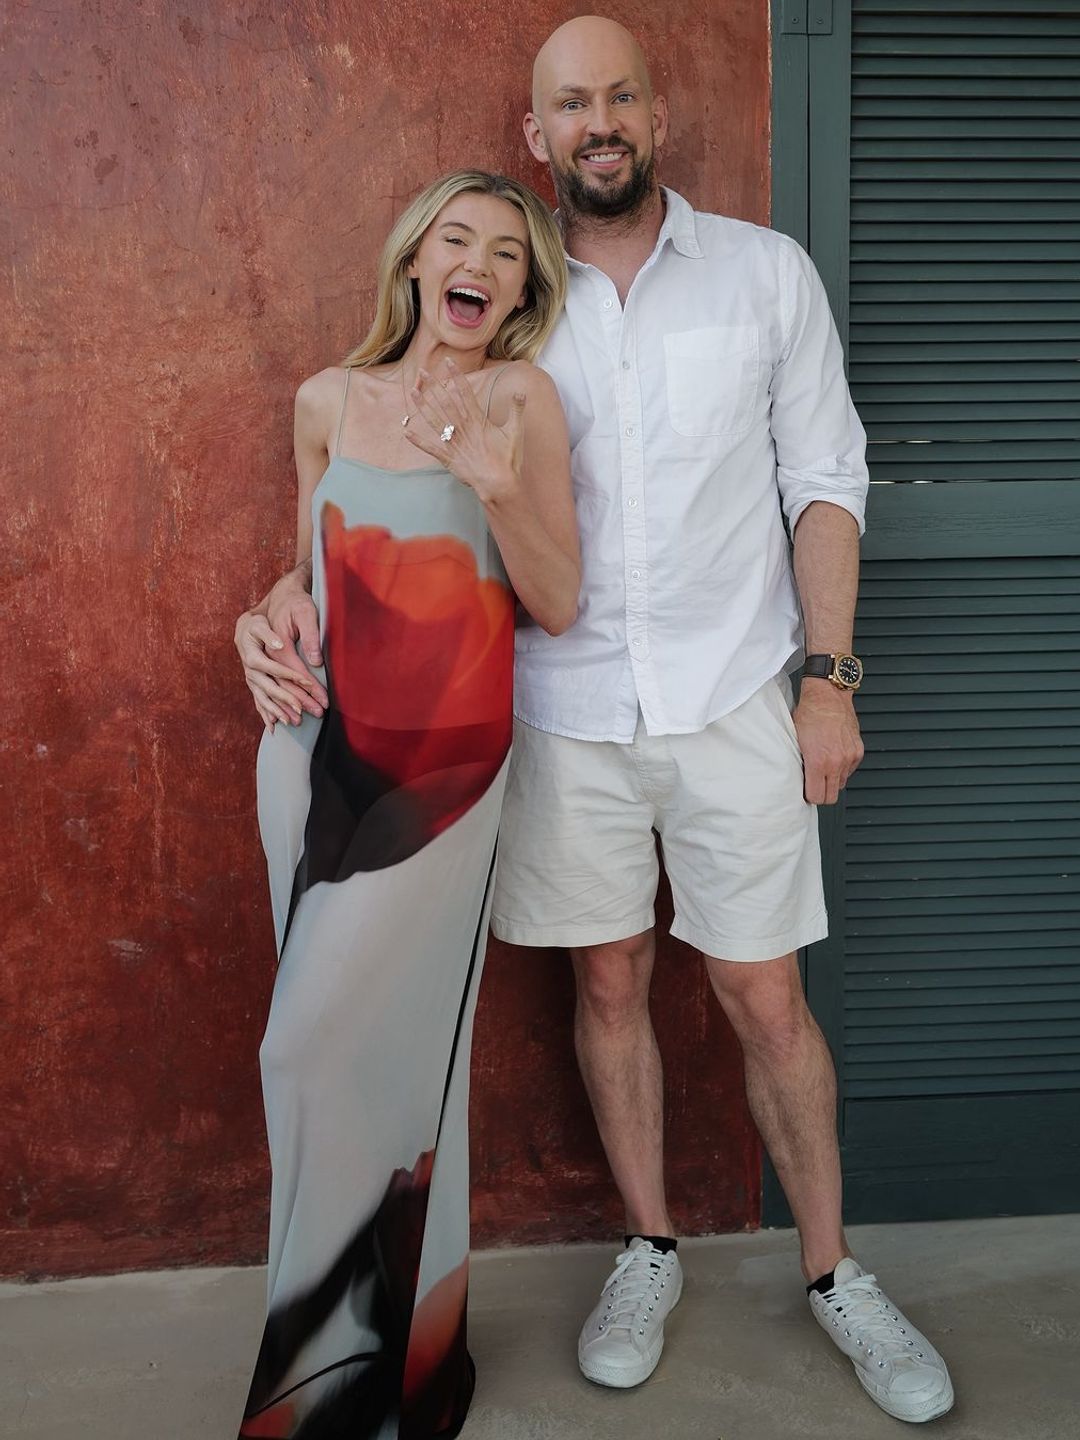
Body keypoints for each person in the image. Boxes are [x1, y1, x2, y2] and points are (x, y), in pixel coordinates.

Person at [237, 15, 955, 1429]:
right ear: (538, 134)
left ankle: (835, 1275)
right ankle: (648, 1248)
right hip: (552, 716)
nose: (600, 121)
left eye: (621, 94)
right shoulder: (513, 298)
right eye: (572, 103)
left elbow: (825, 476)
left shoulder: (763, 275)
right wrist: (277, 598)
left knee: (763, 995)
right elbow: (378, 493)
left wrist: (829, 674)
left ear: (656, 116)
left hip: (735, 694)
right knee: (609, 984)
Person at [233, 169, 579, 1440]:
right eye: (457, 238)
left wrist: (492, 480)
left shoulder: (520, 400)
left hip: (447, 772)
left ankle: (325, 1396)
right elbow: (312, 569)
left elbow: (556, 600)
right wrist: (259, 615)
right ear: (417, 264)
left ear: (523, 290)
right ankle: (406, 1372)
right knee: (340, 1069)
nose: (480, 261)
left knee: (310, 1046)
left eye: (509, 249)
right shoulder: (327, 398)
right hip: (312, 759)